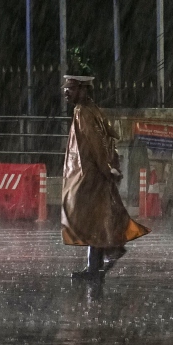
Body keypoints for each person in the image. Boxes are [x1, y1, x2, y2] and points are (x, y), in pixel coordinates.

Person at [60, 74, 150, 280]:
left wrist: (107, 168)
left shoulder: (83, 112)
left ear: (83, 89)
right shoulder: (91, 110)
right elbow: (106, 140)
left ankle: (103, 258)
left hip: (90, 176)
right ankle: (96, 266)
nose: (66, 92)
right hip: (94, 174)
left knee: (90, 220)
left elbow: (96, 143)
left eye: (71, 88)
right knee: (98, 220)